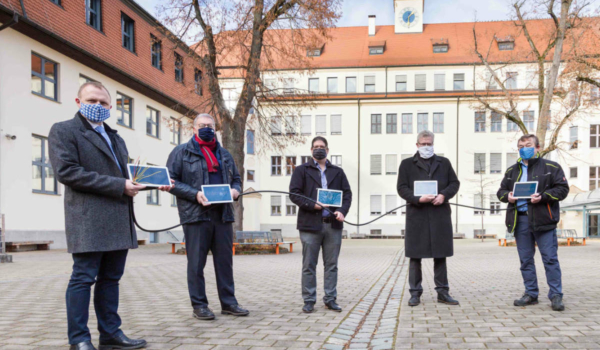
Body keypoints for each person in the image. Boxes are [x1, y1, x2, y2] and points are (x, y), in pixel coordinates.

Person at [48, 82, 147, 350]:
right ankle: (79, 339)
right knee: (83, 278)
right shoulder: (64, 130)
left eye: (104, 102)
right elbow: (67, 172)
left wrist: (145, 180)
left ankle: (110, 334)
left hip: (118, 216)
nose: (98, 106)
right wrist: (119, 186)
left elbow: (123, 175)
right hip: (88, 217)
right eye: (92, 100)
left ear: (111, 106)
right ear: (79, 102)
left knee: (111, 279)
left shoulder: (116, 137)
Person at [163, 113, 248, 320]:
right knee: (196, 263)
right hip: (196, 216)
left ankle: (229, 303)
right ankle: (199, 305)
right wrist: (195, 194)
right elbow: (170, 181)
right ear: (194, 129)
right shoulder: (181, 152)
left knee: (224, 262)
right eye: (202, 125)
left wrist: (236, 191)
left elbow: (236, 179)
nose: (206, 128)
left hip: (223, 215)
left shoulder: (225, 154)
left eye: (210, 125)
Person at [497, 134, 569, 311]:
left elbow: (562, 189)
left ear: (537, 148)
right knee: (526, 260)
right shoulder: (511, 171)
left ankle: (556, 295)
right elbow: (501, 192)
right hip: (520, 220)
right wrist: (509, 197)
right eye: (521, 146)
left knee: (550, 259)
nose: (524, 148)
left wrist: (543, 197)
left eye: (528, 145)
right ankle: (531, 293)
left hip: (544, 219)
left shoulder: (551, 167)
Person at [289, 136, 352, 313]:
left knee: (331, 265)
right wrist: (313, 205)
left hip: (333, 226)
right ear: (311, 150)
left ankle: (330, 298)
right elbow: (294, 194)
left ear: (327, 150)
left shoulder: (337, 172)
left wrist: (342, 211)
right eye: (316, 147)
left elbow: (347, 194)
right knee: (309, 265)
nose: (319, 149)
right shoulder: (301, 170)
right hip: (310, 225)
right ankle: (309, 299)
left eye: (322, 147)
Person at [397, 130, 460, 307]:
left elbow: (454, 183)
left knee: (440, 255)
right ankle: (415, 293)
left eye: (429, 144)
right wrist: (418, 199)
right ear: (417, 145)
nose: (426, 147)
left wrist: (443, 196)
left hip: (439, 214)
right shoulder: (407, 164)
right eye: (423, 144)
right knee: (415, 256)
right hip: (417, 215)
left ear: (433, 144)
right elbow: (402, 188)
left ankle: (442, 292)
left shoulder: (444, 163)